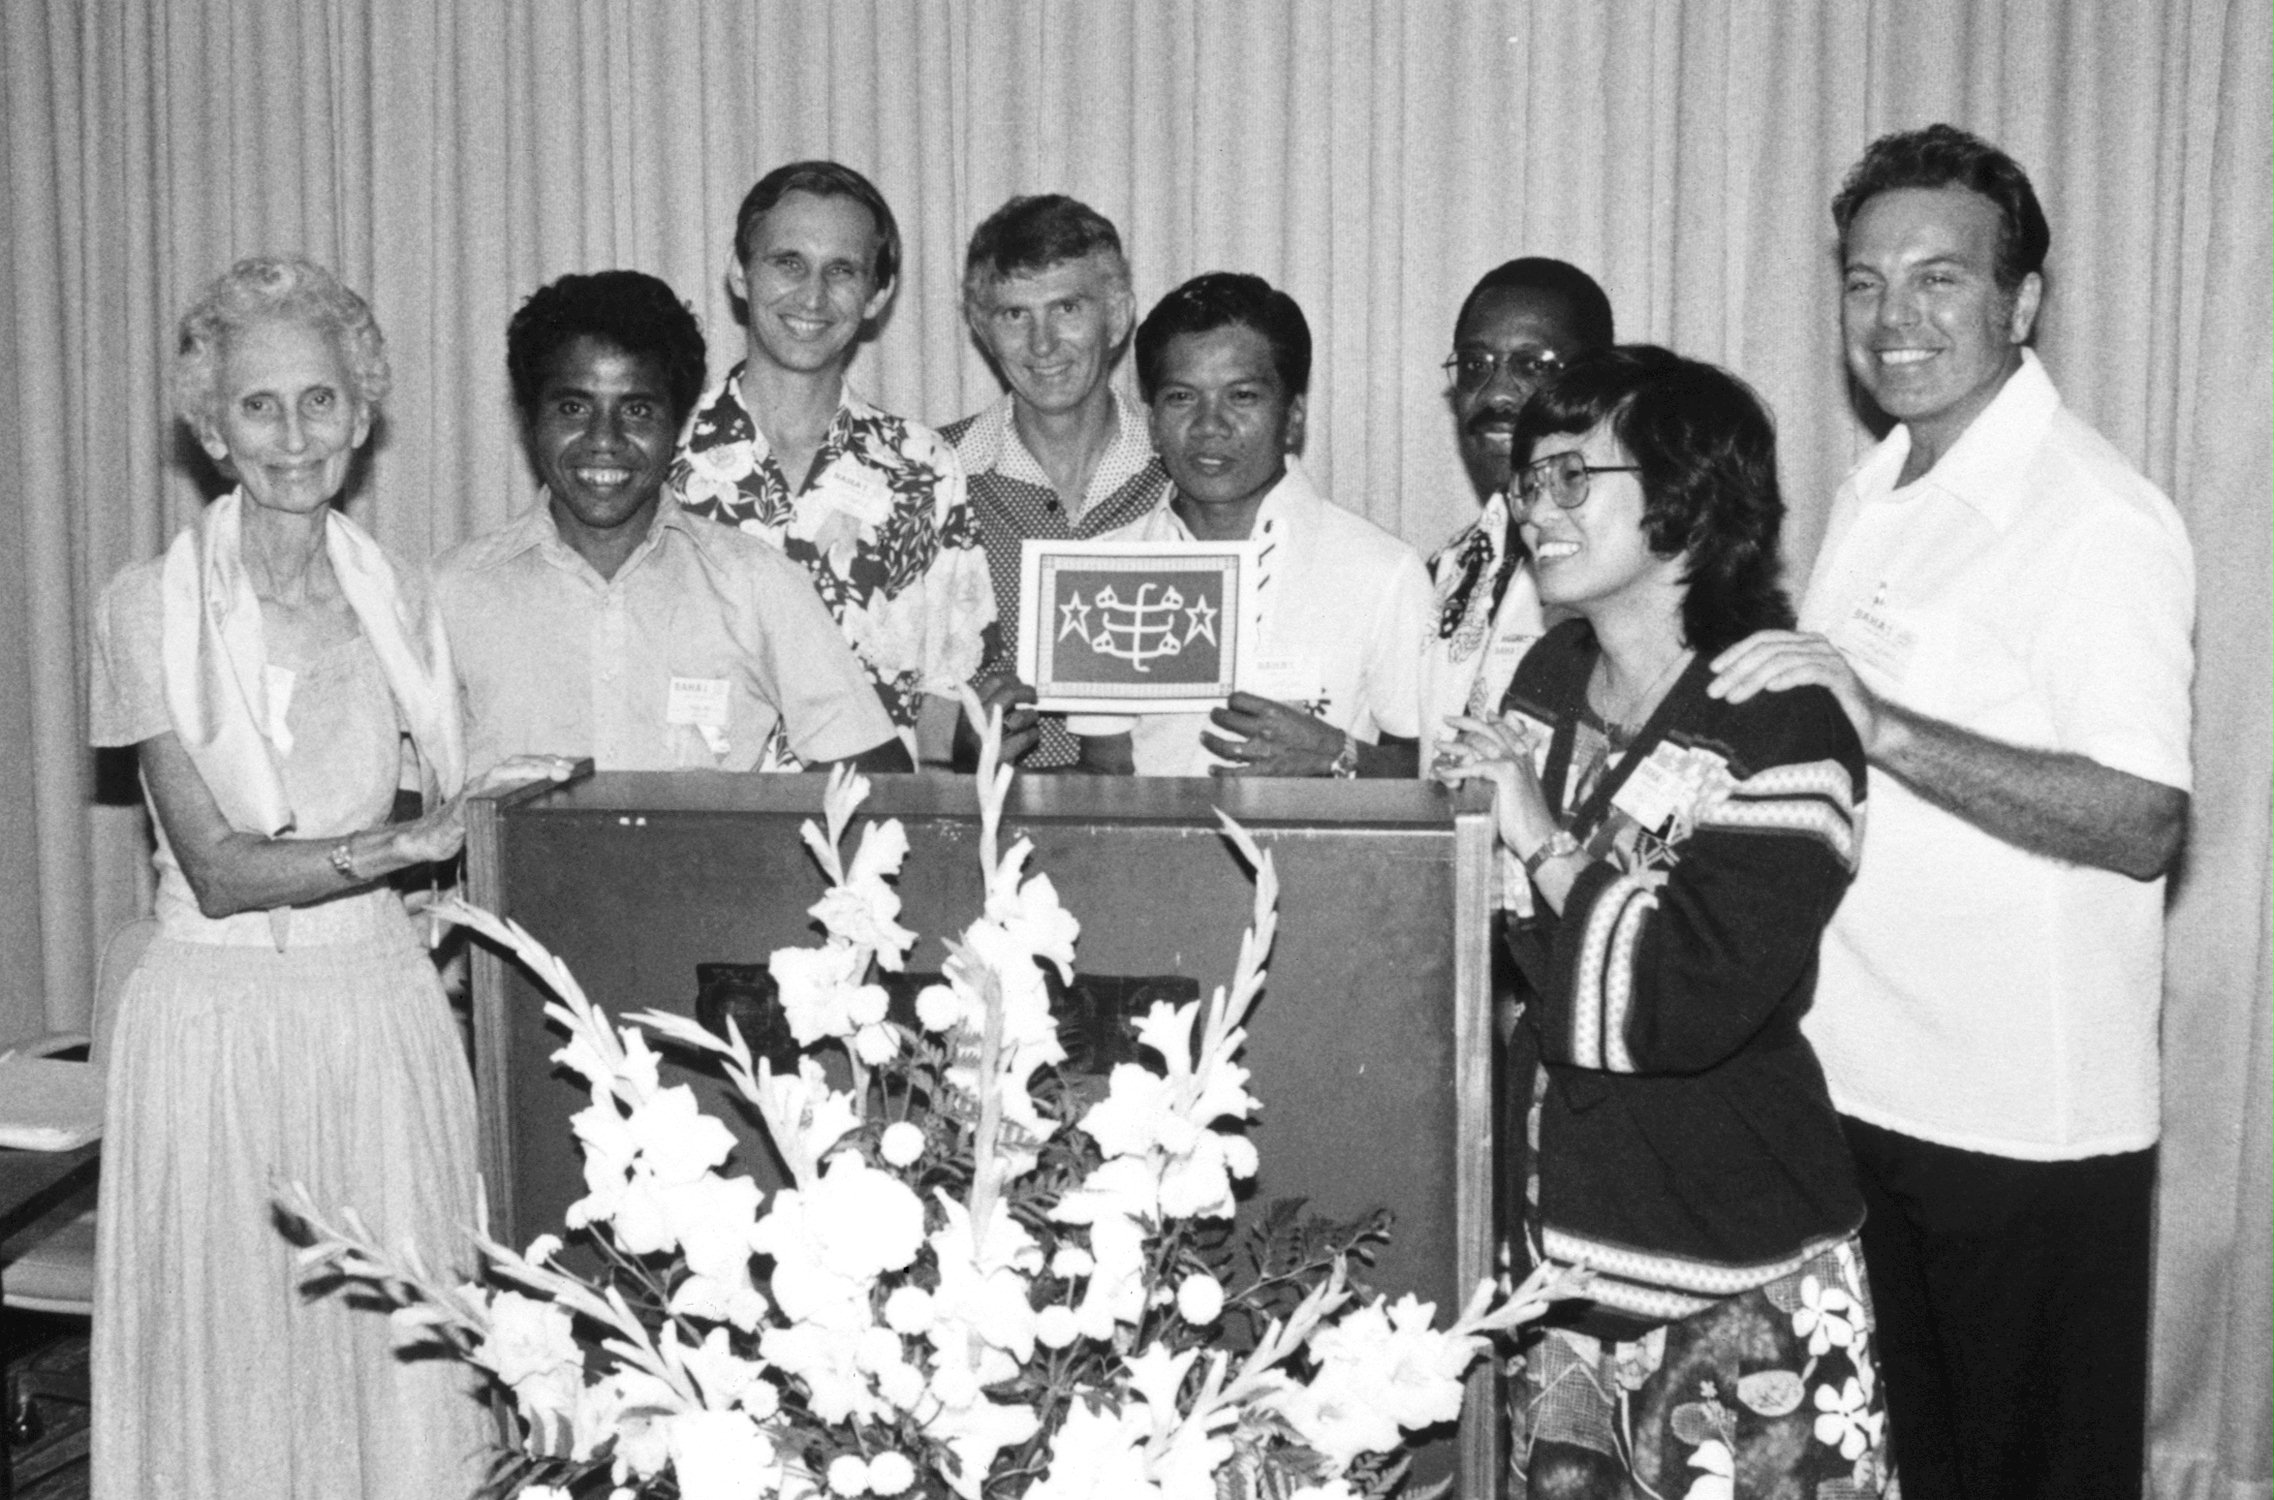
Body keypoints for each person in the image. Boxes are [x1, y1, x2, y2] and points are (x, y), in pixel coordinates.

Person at [1709, 125, 2193, 1500]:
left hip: (2020, 1129)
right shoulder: (1879, 482)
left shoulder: (2094, 517)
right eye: (1865, 283)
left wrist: (1890, 729)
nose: (1893, 319)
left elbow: (2142, 819)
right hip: (1864, 1089)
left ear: (2020, 302)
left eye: (1939, 279)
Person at [85, 255, 570, 1498]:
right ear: (211, 430)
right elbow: (219, 869)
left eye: (319, 401)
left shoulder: (403, 599)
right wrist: (399, 848)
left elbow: (440, 796)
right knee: (230, 1368)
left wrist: (501, 802)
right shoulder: (143, 608)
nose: (293, 435)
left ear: (362, 417)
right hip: (211, 1027)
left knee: (397, 1371)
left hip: (377, 1017)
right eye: (258, 406)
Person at [1437, 347, 1889, 1498]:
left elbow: (1684, 994)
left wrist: (1542, 841)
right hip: (1562, 1261)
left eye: (1571, 478)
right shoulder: (1548, 677)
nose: (1534, 509)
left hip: (1724, 1267)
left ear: (1686, 496)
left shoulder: (1782, 720)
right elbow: (1514, 951)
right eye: (1528, 481)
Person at [435, 270, 908, 776]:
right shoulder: (450, 593)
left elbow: (876, 769)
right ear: (530, 419)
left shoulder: (754, 584)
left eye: (637, 410)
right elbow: (402, 798)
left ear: (677, 423)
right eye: (573, 407)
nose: (604, 439)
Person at [668, 160, 992, 767]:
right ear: (739, 272)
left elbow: (944, 705)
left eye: (841, 270)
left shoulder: (924, 469)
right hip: (697, 816)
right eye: (787, 262)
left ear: (877, 294)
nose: (812, 296)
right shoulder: (663, 457)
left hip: (876, 818)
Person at [1068, 272, 1430, 777]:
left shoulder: (1384, 572)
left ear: (1294, 416)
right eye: (1181, 397)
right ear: (1152, 423)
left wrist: (1337, 754)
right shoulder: (1106, 569)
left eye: (1241, 396)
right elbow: (1106, 780)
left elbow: (1427, 774)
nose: (1209, 426)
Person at [940, 194, 1171, 768]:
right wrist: (949, 742)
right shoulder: (931, 475)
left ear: (1118, 316)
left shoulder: (1184, 471)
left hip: (1157, 810)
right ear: (981, 329)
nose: (1042, 345)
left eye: (1067, 308)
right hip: (986, 814)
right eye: (1014, 315)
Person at [1421, 258, 1615, 766]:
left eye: (1534, 365)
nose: (1497, 392)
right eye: (1474, 365)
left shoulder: (1622, 563)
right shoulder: (1450, 568)